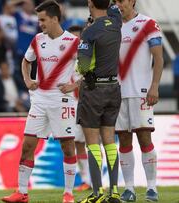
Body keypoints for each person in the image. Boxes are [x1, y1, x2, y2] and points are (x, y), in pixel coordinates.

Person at [1, 1, 79, 203]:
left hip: (62, 101)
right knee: (27, 145)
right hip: (39, 100)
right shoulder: (37, 39)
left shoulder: (73, 42)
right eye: (39, 20)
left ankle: (68, 194)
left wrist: (74, 85)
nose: (40, 24)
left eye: (43, 20)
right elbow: (26, 61)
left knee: (68, 147)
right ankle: (21, 192)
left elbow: (91, 68)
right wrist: (27, 80)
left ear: (54, 18)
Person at [114, 0, 163, 202]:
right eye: (115, 1)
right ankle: (129, 189)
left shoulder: (148, 23)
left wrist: (154, 86)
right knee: (124, 141)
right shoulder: (112, 26)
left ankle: (151, 188)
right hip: (117, 93)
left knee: (144, 138)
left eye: (122, 0)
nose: (119, 4)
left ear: (132, 1)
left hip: (140, 91)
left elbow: (159, 58)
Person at [76, 0, 122, 202]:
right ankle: (114, 192)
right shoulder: (116, 22)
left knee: (92, 143)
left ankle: (97, 194)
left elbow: (83, 66)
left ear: (90, 4)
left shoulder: (90, 31)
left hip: (94, 90)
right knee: (110, 142)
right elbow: (113, 8)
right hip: (113, 88)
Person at [67, 25, 91, 192]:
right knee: (78, 143)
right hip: (73, 106)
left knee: (94, 143)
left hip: (89, 105)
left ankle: (98, 180)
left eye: (78, 39)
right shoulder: (65, 59)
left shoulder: (87, 59)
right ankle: (87, 180)